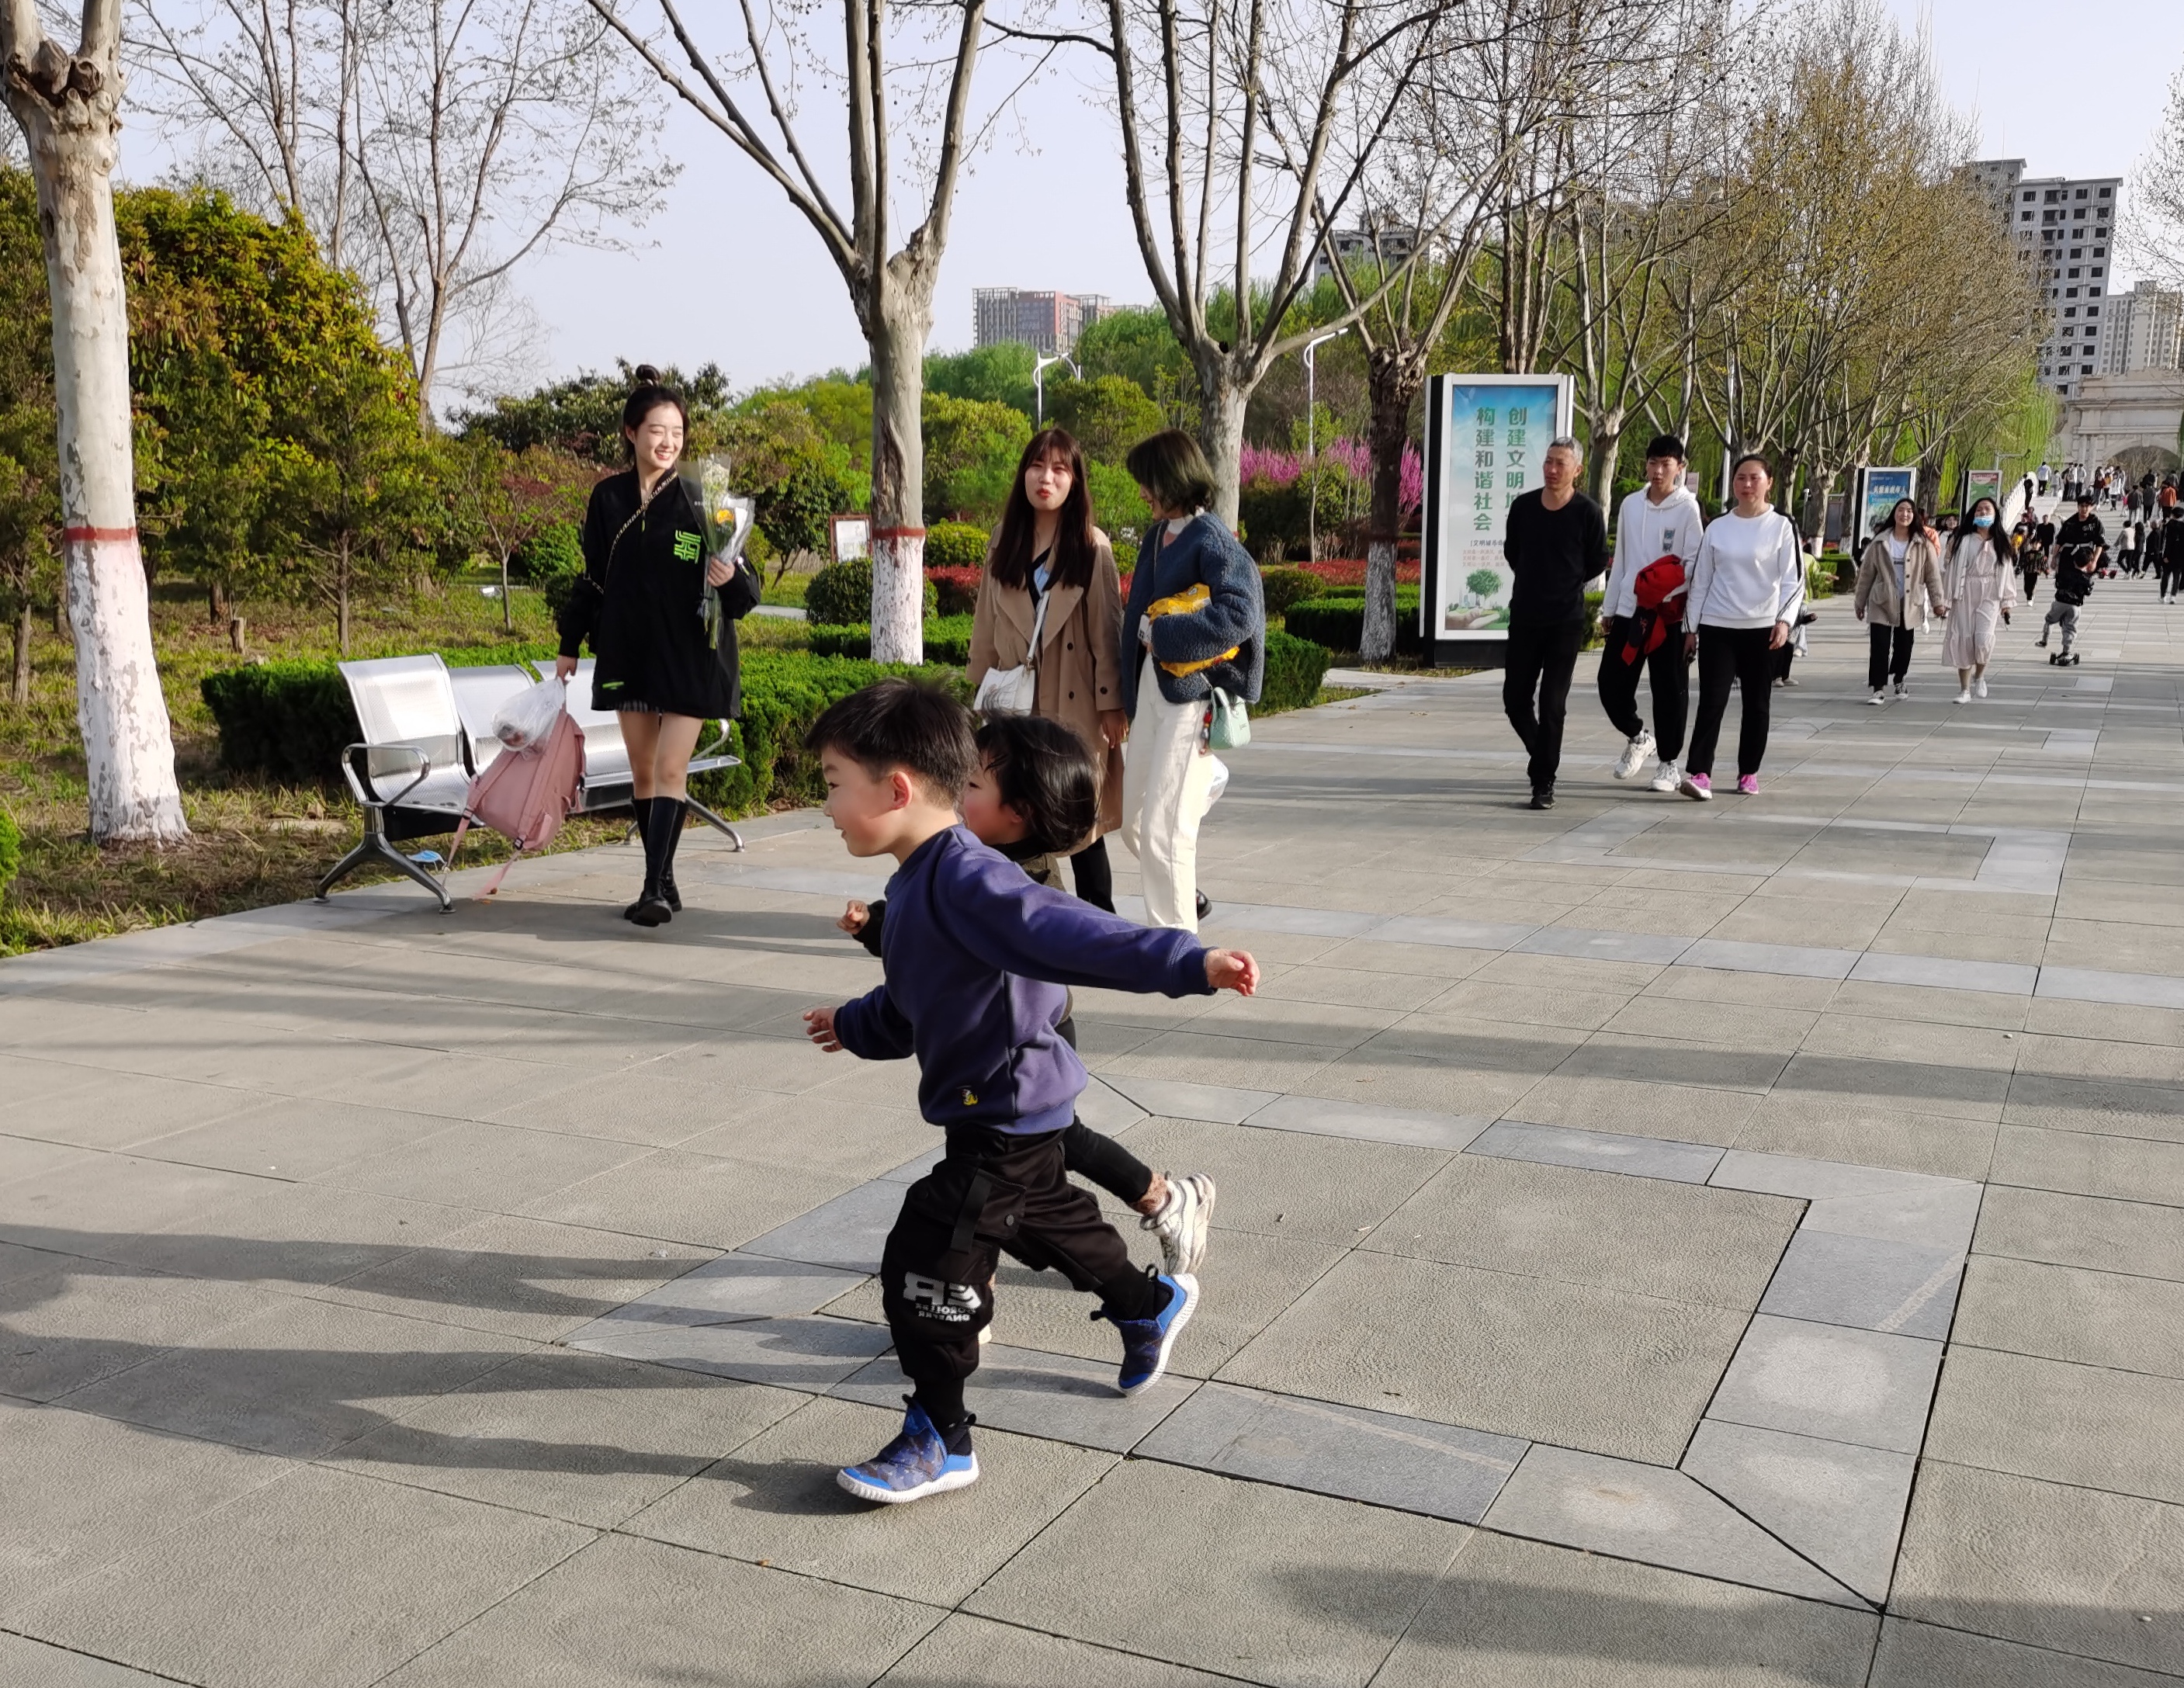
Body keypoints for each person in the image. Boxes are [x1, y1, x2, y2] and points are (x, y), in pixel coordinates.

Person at [800, 679, 1260, 1504]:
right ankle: (1147, 1304)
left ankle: (941, 1438)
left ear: (896, 788)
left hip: (1004, 1110)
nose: (826, 806)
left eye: (834, 784)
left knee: (928, 1254)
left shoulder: (971, 880)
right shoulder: (914, 884)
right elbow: (911, 1005)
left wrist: (1190, 963)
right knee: (1048, 1219)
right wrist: (854, 1023)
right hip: (1002, 1108)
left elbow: (1076, 934)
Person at [839, 712, 1217, 1278]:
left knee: (1010, 1160)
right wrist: (878, 925)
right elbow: (932, 941)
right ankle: (1154, 1208)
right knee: (1031, 1152)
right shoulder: (958, 858)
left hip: (1028, 1032)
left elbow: (1070, 935)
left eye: (971, 785)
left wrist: (1186, 962)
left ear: (1017, 812)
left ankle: (1141, 1226)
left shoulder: (1011, 880)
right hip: (991, 1035)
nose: (956, 795)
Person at [556, 366, 761, 926]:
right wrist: (570, 641)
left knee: (672, 767)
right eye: (656, 430)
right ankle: (664, 881)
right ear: (631, 433)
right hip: (630, 650)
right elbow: (593, 577)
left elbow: (748, 589)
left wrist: (729, 577)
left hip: (691, 654)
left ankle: (651, 887)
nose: (668, 442)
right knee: (644, 771)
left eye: (676, 432)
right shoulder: (607, 498)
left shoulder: (704, 496)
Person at [968, 428, 1127, 912]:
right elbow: (986, 623)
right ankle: (1021, 913)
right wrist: (978, 692)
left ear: (1075, 481)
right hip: (1016, 703)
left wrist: (1112, 704)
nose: (1046, 478)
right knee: (1016, 810)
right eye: (1037, 466)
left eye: (1059, 469)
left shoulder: (1091, 546)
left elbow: (1107, 631)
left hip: (1074, 701)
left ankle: (1099, 919)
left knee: (1079, 819)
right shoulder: (1004, 540)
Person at [1116, 432, 1264, 932]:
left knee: (1165, 832)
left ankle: (1175, 947)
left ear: (1172, 480)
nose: (1143, 493)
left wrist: (1164, 635)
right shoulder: (1157, 536)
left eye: (1148, 483)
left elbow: (1241, 614)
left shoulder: (1212, 538)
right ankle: (1207, 779)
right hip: (1151, 691)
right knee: (1135, 822)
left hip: (1191, 696)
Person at [1678, 453, 1804, 800]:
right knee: (1712, 701)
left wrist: (1784, 621)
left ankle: (1748, 771)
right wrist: (1690, 629)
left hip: (1763, 629)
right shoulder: (1718, 527)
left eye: (1754, 478)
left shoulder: (1781, 526)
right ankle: (1700, 773)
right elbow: (1701, 581)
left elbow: (1794, 581)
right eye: (1740, 478)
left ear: (1769, 483)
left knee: (1757, 704)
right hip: (1718, 626)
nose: (1747, 485)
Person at [1502, 435, 1608, 809]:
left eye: (1560, 463)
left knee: (1552, 704)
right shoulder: (1523, 507)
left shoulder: (1588, 512)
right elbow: (1513, 552)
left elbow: (1597, 561)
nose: (1551, 469)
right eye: (1548, 461)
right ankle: (1542, 757)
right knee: (1515, 699)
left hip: (1566, 621)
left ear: (1577, 470)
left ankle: (1543, 781)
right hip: (1526, 616)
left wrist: (1565, 582)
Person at [1598, 433, 1702, 793]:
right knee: (1610, 684)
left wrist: (1679, 607)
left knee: (1669, 689)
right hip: (1632, 611)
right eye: (1653, 463)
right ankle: (1639, 737)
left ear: (1680, 467)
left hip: (1668, 615)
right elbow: (1622, 559)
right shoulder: (1631, 505)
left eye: (1666, 464)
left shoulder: (1688, 510)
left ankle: (1669, 764)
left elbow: (1693, 565)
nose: (1658, 471)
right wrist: (1611, 607)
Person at [1853, 498, 1948, 703]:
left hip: (1909, 601)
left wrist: (1938, 602)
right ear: (1894, 514)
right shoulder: (1880, 542)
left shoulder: (1923, 544)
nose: (1904, 514)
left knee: (1904, 646)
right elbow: (1866, 574)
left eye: (1909, 511)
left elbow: (1932, 575)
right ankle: (1878, 688)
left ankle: (1899, 679)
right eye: (1900, 510)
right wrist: (1860, 602)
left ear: (1914, 516)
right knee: (1879, 646)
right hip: (1881, 600)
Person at [1939, 496, 2017, 703]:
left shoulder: (2001, 541)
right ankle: (1964, 690)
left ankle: (1980, 675)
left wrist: (2007, 602)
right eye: (1979, 510)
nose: (1983, 513)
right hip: (1965, 592)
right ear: (1973, 514)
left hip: (1990, 593)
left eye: (1987, 510)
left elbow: (2007, 572)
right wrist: (1946, 599)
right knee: (1964, 639)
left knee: (1983, 639)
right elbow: (1951, 569)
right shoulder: (1963, 540)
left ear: (1995, 514)